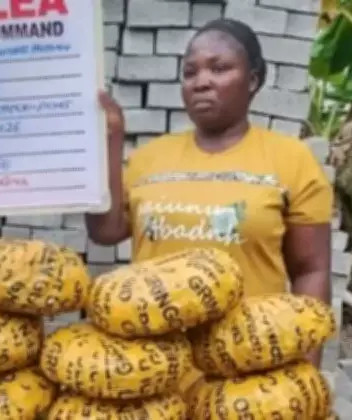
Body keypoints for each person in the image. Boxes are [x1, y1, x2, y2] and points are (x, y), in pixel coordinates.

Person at [88, 19, 332, 396]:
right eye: (190, 72)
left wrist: (303, 380)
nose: (201, 81)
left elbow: (311, 271)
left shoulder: (291, 160)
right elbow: (105, 232)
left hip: (247, 377)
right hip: (154, 374)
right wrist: (108, 142)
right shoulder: (149, 159)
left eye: (219, 68)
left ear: (252, 80)